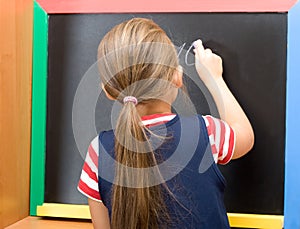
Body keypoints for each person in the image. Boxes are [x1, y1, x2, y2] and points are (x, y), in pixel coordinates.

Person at [78, 18, 254, 229]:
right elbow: (245, 136)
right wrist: (214, 79)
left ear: (108, 91)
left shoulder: (98, 152)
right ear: (177, 78)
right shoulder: (206, 132)